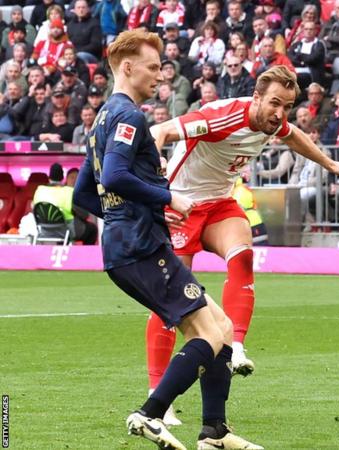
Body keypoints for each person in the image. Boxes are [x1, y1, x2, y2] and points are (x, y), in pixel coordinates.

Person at [71, 29, 263, 449]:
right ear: (127, 67)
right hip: (142, 248)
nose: (160, 75)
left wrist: (123, 218)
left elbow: (83, 195)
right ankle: (149, 413)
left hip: (132, 246)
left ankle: (215, 431)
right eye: (153, 67)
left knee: (222, 327)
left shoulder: (101, 119)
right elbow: (115, 176)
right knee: (207, 335)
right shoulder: (128, 117)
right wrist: (167, 197)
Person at [147, 65, 339, 403]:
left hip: (218, 203)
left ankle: (235, 348)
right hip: (181, 206)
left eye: (287, 106)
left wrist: (330, 165)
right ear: (256, 97)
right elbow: (158, 131)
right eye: (275, 103)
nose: (280, 113)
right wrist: (157, 181)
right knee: (171, 300)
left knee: (243, 255)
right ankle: (156, 391)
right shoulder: (222, 117)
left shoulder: (271, 121)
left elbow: (293, 135)